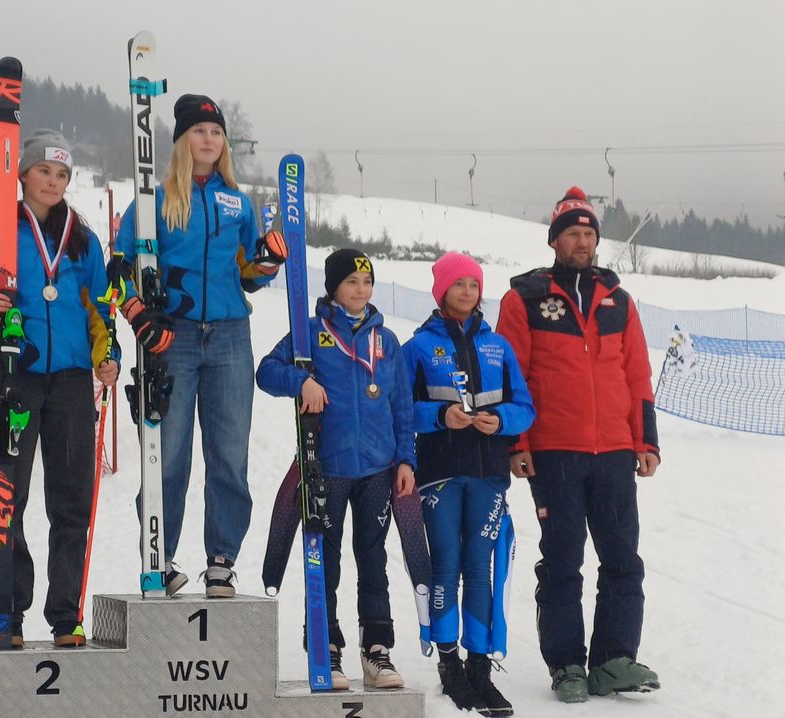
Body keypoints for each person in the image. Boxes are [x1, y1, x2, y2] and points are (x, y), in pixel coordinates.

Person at [0, 129, 121, 647]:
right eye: (44, 171)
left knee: (71, 502)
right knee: (8, 498)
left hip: (70, 381)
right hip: (15, 376)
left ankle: (65, 614)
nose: (52, 181)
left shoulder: (83, 241)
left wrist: (108, 355)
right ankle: (9, 608)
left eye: (62, 174)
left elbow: (101, 307)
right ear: (22, 174)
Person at [114, 94, 287, 597]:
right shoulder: (153, 201)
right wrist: (137, 314)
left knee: (229, 453)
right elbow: (117, 269)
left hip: (230, 335)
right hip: (175, 336)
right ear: (181, 140)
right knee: (167, 455)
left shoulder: (238, 202)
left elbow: (248, 274)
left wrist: (267, 260)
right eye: (199, 131)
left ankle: (221, 560)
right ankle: (159, 555)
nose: (209, 139)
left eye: (216, 132)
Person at [494, 186, 662, 703]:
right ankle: (566, 663)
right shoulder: (524, 299)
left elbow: (637, 375)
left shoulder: (619, 301)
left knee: (623, 559)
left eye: (589, 233)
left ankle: (613, 659)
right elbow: (510, 376)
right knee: (563, 560)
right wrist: (516, 444)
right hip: (554, 451)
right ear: (554, 240)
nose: (582, 242)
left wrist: (645, 441)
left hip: (613, 451)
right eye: (572, 233)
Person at [256, 249, 414, 690]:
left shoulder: (387, 340)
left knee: (374, 559)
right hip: (327, 466)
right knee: (325, 560)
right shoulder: (310, 333)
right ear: (333, 287)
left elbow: (402, 406)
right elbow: (266, 372)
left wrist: (406, 459)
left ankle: (377, 650)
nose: (361, 290)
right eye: (351, 282)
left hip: (378, 469)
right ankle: (326, 647)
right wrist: (301, 380)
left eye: (367, 282)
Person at [402, 252, 534, 717]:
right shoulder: (419, 347)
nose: (466, 292)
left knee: (480, 569)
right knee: (446, 565)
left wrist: (501, 421)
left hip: (488, 475)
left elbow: (525, 406)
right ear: (441, 291)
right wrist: (441, 416)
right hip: (440, 475)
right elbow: (400, 410)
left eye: (473, 285)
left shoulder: (498, 346)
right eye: (457, 284)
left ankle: (479, 666)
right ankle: (449, 664)